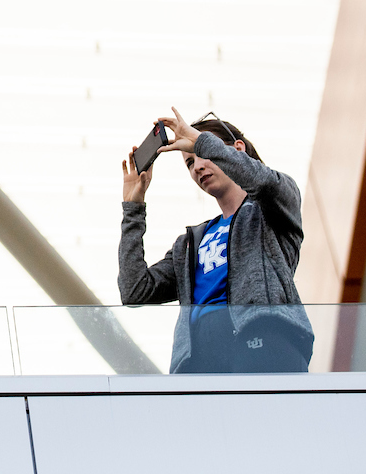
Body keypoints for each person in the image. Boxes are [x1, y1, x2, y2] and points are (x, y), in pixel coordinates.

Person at [118, 107, 313, 373]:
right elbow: (135, 291)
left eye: (204, 154)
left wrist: (200, 140)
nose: (198, 166)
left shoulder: (272, 208)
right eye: (189, 162)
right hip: (199, 359)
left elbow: (264, 183)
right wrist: (133, 210)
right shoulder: (191, 242)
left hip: (262, 339)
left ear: (238, 149)